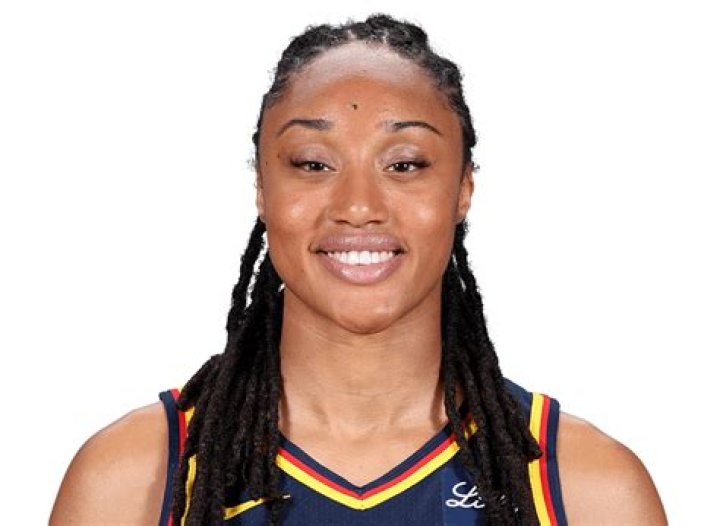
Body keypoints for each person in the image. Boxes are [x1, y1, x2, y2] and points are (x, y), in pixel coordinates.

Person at [50, 14, 667, 526]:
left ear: (463, 190)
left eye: (405, 164)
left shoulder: (586, 489)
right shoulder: (131, 481)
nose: (358, 206)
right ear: (262, 189)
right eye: (313, 164)